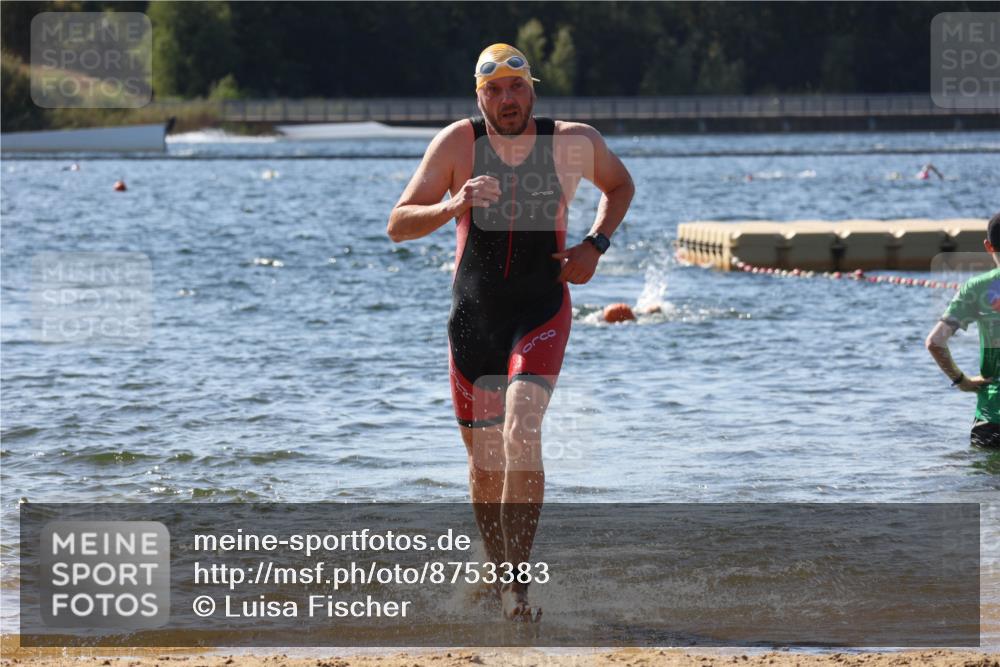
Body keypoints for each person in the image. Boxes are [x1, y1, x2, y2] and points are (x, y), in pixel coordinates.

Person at [387, 43, 634, 621]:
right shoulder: (457, 144)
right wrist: (454, 203)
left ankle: (516, 590)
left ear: (533, 91)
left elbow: (620, 186)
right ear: (480, 97)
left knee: (522, 430)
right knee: (485, 464)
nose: (506, 101)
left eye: (516, 88)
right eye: (494, 91)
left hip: (540, 310)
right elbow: (398, 223)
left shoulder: (574, 142)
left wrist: (595, 245)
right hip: (474, 322)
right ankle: (499, 576)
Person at [925, 211, 1000, 449]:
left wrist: (961, 380)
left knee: (983, 486)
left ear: (988, 246)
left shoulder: (975, 289)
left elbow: (935, 342)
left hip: (991, 417)